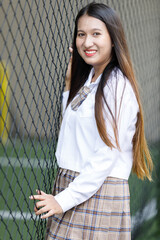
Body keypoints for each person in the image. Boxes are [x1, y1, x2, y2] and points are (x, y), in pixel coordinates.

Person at [29, 2, 153, 239]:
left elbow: (105, 155)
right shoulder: (91, 79)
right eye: (81, 34)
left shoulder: (116, 86)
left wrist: (62, 200)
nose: (87, 42)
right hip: (76, 186)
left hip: (96, 192)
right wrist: (68, 86)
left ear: (113, 39)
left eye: (96, 34)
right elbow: (72, 132)